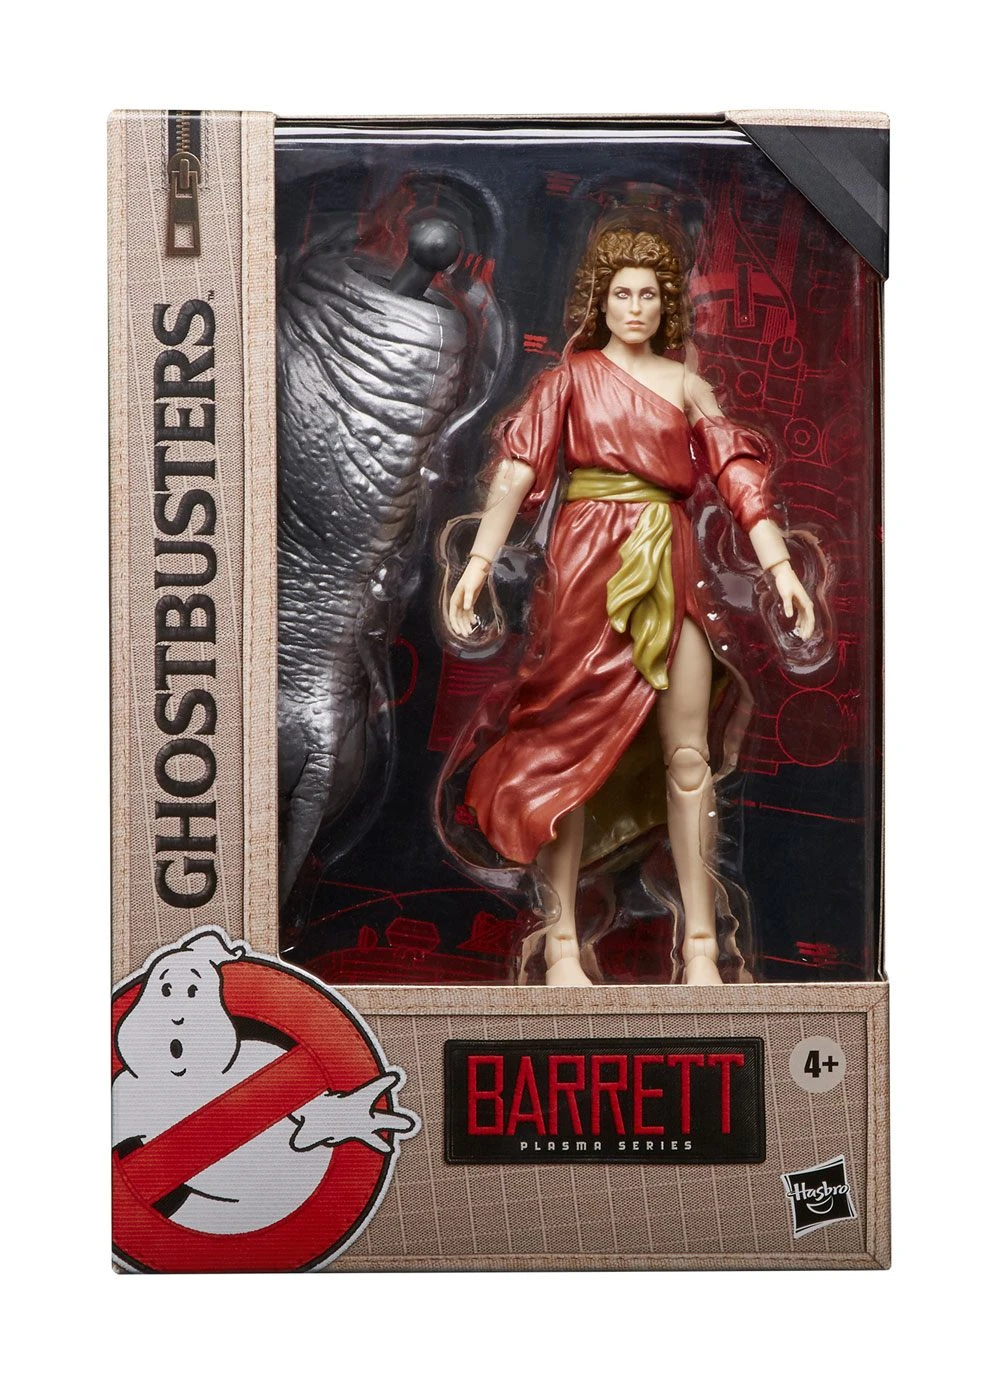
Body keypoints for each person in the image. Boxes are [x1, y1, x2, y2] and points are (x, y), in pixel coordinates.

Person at [446, 224, 815, 987]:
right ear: (602, 301)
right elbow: (518, 469)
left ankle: (702, 947)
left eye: (649, 294)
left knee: (690, 755)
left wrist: (780, 565)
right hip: (586, 567)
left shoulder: (685, 385)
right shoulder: (571, 379)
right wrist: (478, 561)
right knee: (563, 751)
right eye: (623, 293)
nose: (637, 306)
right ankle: (560, 945)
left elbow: (738, 474)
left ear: (665, 303)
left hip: (669, 561)